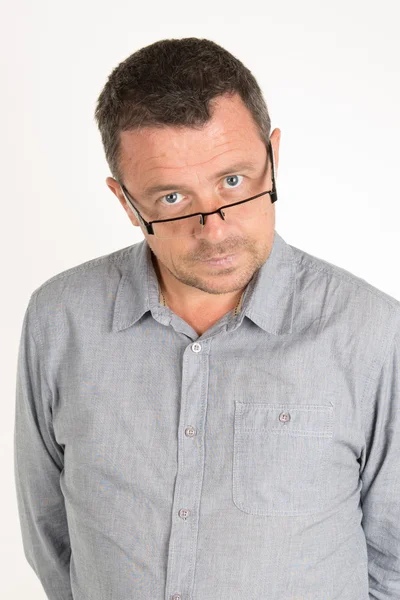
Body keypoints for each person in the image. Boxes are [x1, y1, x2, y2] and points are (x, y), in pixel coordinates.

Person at [14, 37, 400, 600]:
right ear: (125, 202)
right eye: (172, 197)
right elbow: (49, 533)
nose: (214, 228)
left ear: (273, 157)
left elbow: (393, 563)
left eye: (233, 182)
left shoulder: (373, 333)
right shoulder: (60, 319)